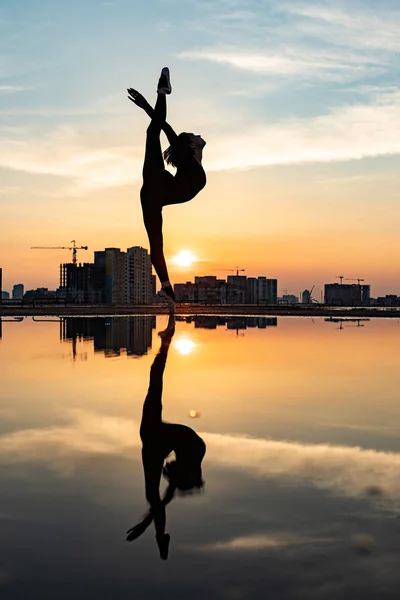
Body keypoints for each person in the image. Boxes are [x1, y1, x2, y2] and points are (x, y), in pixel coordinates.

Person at [126, 315, 206, 560]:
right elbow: (160, 501)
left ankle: (161, 538)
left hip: (163, 440)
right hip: (175, 442)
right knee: (155, 494)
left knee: (154, 494)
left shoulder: (160, 445)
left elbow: (160, 502)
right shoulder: (187, 450)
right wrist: (165, 345)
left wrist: (154, 530)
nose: (166, 470)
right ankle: (161, 538)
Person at [127, 68, 207, 312]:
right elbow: (165, 127)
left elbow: (165, 126)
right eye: (194, 134)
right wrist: (147, 106)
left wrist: (146, 107)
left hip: (155, 190)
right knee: (153, 129)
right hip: (158, 187)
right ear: (192, 144)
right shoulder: (188, 159)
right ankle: (163, 91)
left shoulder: (188, 158)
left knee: (156, 244)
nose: (198, 133)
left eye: (194, 133)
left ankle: (166, 288)